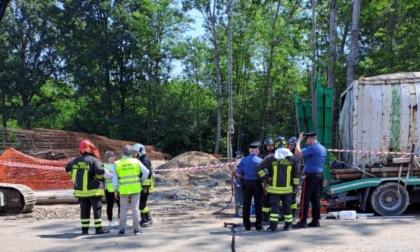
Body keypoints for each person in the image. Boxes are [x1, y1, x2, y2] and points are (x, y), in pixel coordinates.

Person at [65, 139, 110, 235]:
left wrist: (75, 175)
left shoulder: (75, 161)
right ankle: (98, 229)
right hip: (94, 190)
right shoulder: (94, 160)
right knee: (97, 209)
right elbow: (100, 171)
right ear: (90, 149)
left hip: (81, 192)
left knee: (84, 210)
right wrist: (98, 178)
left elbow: (67, 168)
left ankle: (84, 230)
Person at [257, 136, 300, 232]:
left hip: (274, 189)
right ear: (286, 145)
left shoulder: (271, 157)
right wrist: (295, 186)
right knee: (287, 207)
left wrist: (266, 178)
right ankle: (288, 226)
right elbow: (297, 174)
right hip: (288, 189)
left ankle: (273, 226)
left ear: (276, 146)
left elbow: (259, 167)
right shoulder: (293, 158)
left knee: (274, 208)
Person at [113, 145, 150, 235]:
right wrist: (142, 180)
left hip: (123, 190)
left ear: (122, 153)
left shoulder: (117, 163)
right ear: (131, 153)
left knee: (123, 210)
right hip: (135, 189)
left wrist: (115, 190)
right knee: (135, 209)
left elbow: (115, 178)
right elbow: (147, 172)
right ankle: (137, 229)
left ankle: (122, 229)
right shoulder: (136, 161)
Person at [293, 132, 326, 228]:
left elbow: (297, 153)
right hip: (319, 175)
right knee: (315, 199)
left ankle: (303, 221)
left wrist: (299, 140)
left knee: (304, 198)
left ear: (311, 139)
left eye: (306, 141)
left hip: (311, 175)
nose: (306, 143)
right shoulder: (322, 147)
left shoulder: (314, 147)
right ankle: (316, 221)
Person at [235, 141, 263, 231]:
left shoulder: (243, 160)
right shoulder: (260, 161)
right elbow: (263, 174)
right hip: (257, 184)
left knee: (246, 204)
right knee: (258, 204)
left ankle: (247, 225)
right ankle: (259, 224)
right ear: (257, 151)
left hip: (246, 183)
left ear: (249, 150)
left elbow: (238, 174)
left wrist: (244, 177)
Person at [132, 143, 154, 227]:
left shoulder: (145, 161)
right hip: (141, 186)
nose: (133, 154)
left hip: (145, 186)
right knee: (140, 204)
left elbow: (148, 174)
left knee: (142, 204)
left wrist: (145, 187)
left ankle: (149, 218)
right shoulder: (141, 160)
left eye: (135, 152)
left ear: (140, 152)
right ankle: (143, 219)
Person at [258, 138, 275, 223]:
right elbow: (259, 169)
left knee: (275, 200)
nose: (270, 147)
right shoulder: (261, 157)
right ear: (265, 146)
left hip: (275, 181)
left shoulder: (277, 156)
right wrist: (265, 180)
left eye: (272, 145)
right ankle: (265, 216)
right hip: (265, 181)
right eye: (269, 145)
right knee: (265, 199)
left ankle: (274, 215)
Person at [103, 151, 120, 228]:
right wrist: (110, 174)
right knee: (110, 205)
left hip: (118, 188)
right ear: (107, 158)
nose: (114, 158)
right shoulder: (105, 166)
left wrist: (111, 173)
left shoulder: (117, 165)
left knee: (121, 205)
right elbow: (106, 175)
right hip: (109, 189)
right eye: (112, 157)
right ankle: (110, 221)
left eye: (114, 156)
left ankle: (121, 220)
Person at [287, 136, 300, 220]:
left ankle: (293, 213)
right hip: (285, 179)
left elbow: (297, 172)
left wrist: (295, 185)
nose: (291, 146)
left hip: (292, 179)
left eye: (293, 145)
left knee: (293, 198)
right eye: (290, 144)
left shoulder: (296, 156)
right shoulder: (285, 153)